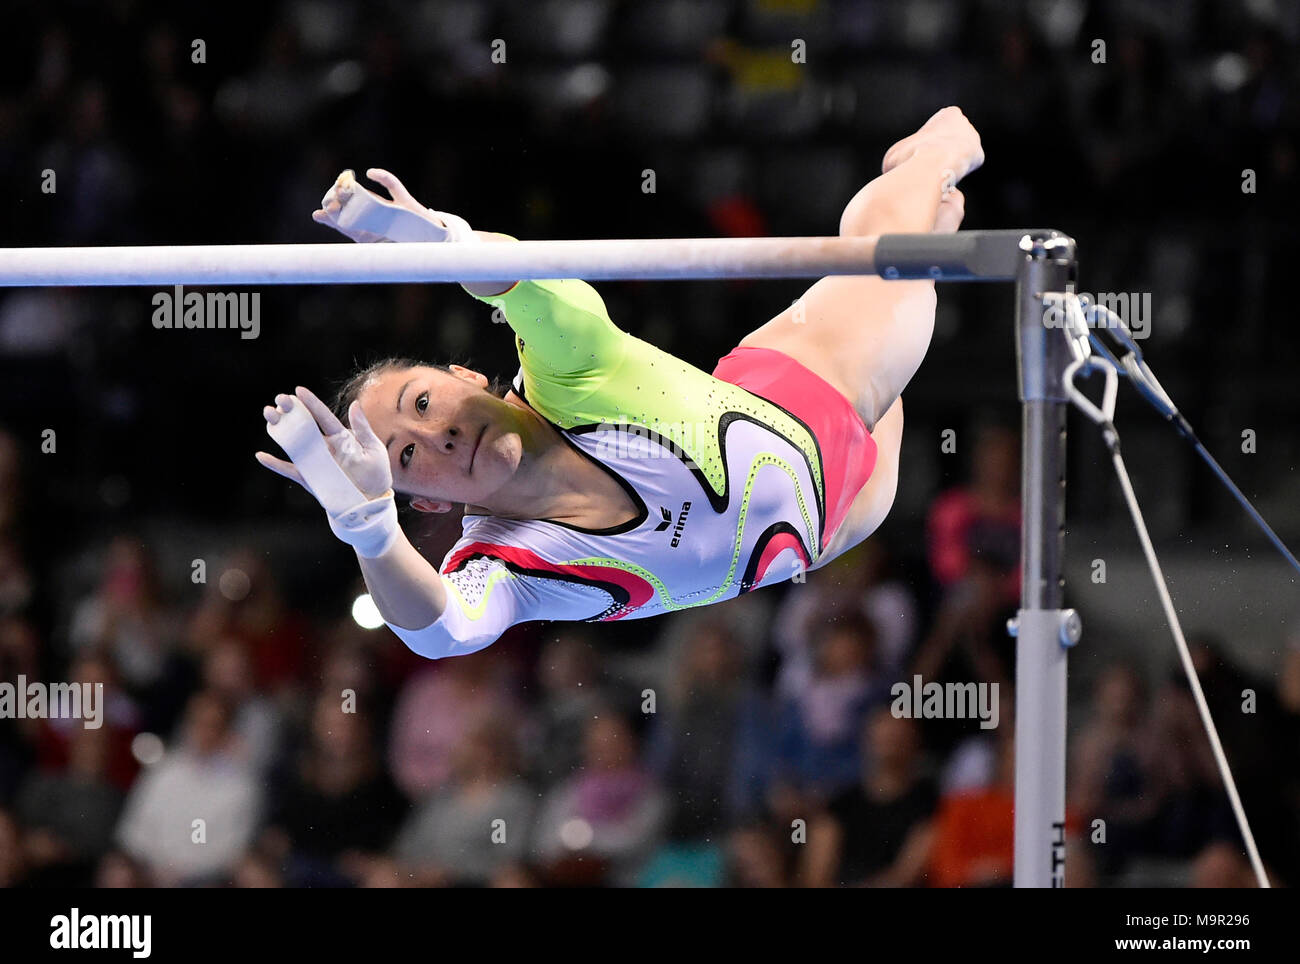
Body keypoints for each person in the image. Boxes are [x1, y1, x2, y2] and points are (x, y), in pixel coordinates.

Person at [257, 107, 984, 659]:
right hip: (841, 521)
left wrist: (440, 243)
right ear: (420, 498)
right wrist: (368, 530)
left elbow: (531, 288)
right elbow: (441, 633)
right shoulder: (505, 562)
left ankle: (937, 148)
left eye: (422, 403)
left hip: (816, 403)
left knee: (886, 255)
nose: (435, 432)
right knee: (913, 256)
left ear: (467, 375)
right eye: (406, 454)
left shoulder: (571, 371)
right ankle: (932, 214)